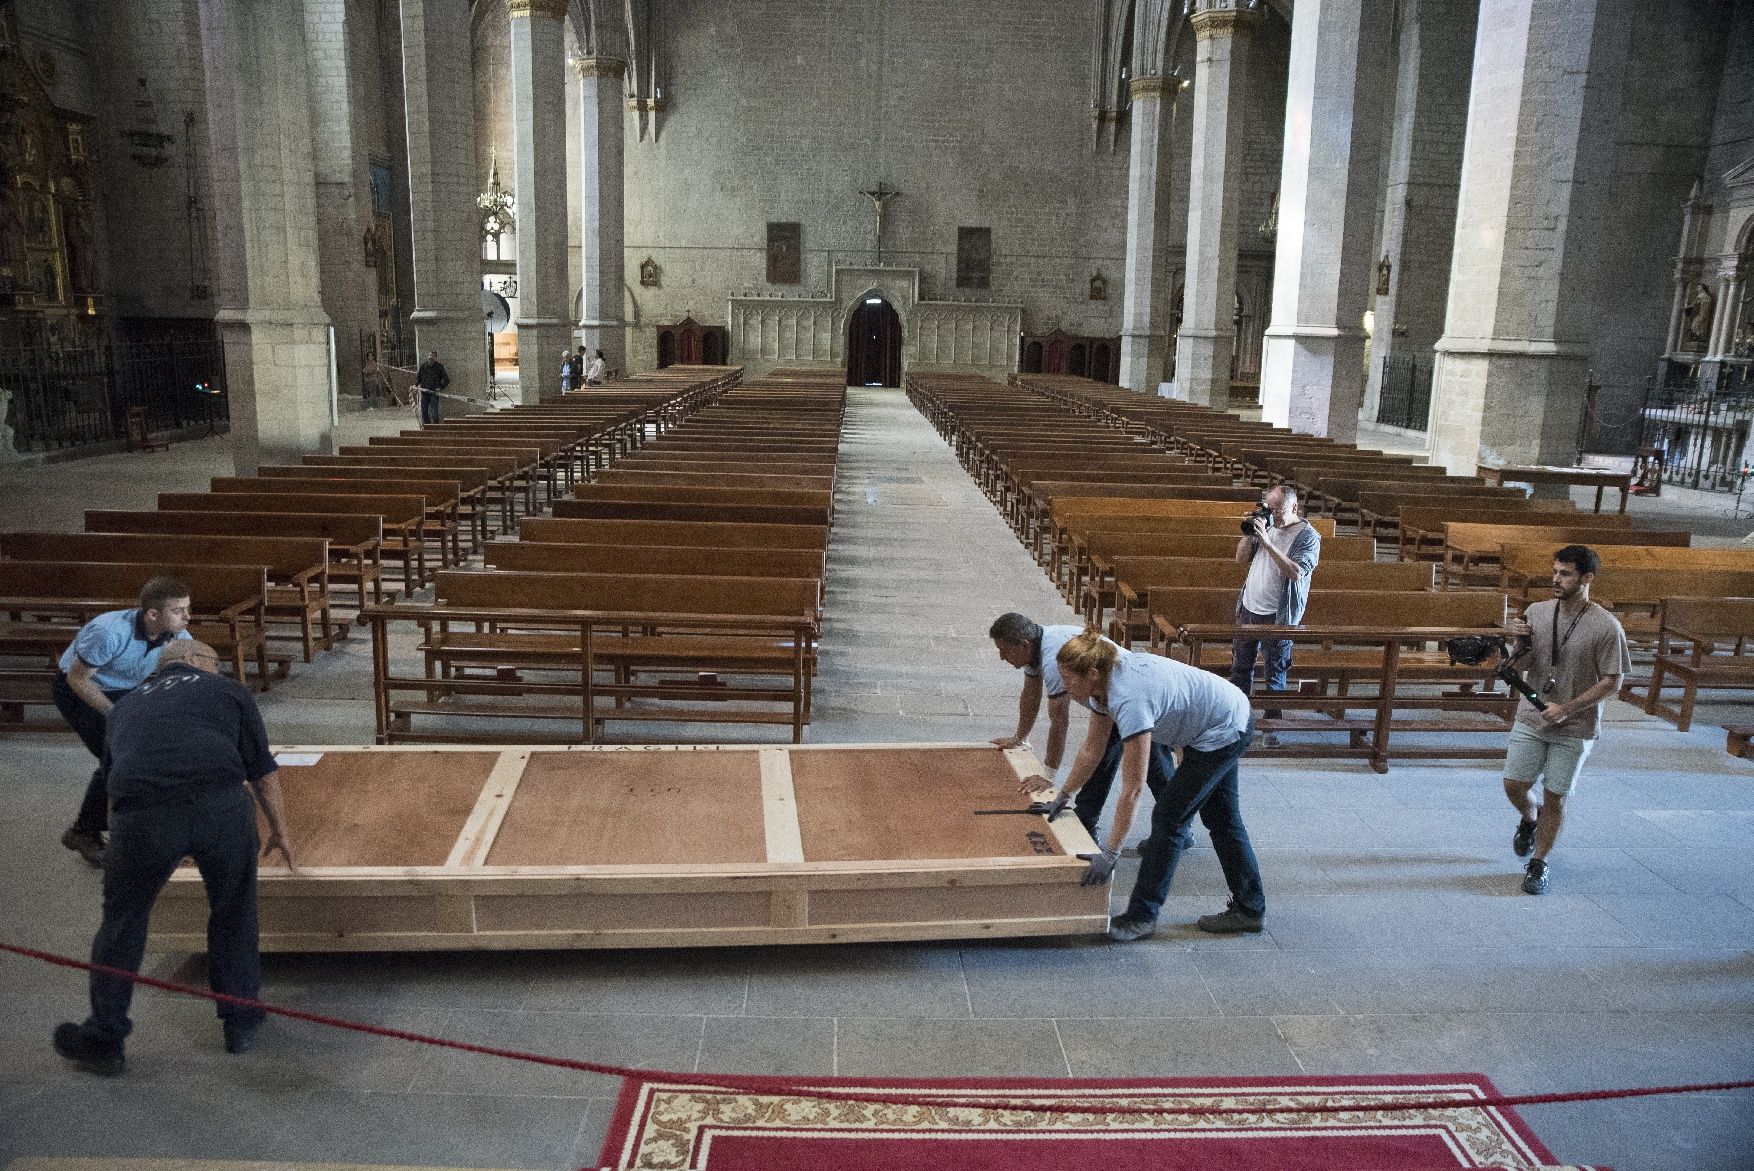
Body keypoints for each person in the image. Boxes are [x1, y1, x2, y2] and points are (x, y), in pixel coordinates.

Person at [51, 639, 295, 1077]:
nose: (219, 670)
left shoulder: (122, 709)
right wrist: (279, 831)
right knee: (234, 908)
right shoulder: (228, 691)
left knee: (122, 919)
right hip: (218, 806)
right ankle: (239, 1020)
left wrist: (134, 846)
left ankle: (105, 1037)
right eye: (217, 663)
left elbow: (111, 788)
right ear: (199, 662)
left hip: (141, 817)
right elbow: (261, 769)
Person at [1030, 630, 1264, 943]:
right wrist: (1062, 796)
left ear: (1093, 673)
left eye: (1069, 678)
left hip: (1223, 729)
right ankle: (1249, 910)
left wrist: (1110, 853)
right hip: (1220, 718)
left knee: (1169, 819)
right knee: (1222, 820)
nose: (1064, 685)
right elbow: (1092, 749)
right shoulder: (1102, 686)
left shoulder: (1129, 699)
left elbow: (1133, 789)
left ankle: (1142, 916)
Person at [1499, 545, 1629, 896]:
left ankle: (1539, 863)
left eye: (1566, 573)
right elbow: (1521, 666)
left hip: (1574, 725)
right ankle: (1529, 818)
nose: (1556, 579)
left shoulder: (1606, 626)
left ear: (1587, 578)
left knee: (1555, 797)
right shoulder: (1536, 612)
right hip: (1532, 714)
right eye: (1555, 571)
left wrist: (1568, 707)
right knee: (1513, 783)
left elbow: (1612, 681)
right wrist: (1519, 645)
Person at [988, 612, 1172, 838]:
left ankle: (1175, 829)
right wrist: (1020, 737)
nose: (1001, 657)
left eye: (1004, 650)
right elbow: (1031, 694)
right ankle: (1090, 822)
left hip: (1133, 702)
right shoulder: (1036, 646)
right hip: (1108, 703)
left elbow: (1059, 722)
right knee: (1108, 764)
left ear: (1024, 645)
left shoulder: (1052, 659)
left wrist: (1048, 775)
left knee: (1149, 770)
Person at [54, 576, 194, 867]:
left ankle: (155, 829)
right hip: (81, 690)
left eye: (187, 609)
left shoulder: (179, 636)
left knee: (152, 753)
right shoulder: (109, 631)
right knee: (119, 757)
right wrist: (114, 714)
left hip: (127, 689)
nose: (187, 617)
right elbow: (77, 679)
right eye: (178, 611)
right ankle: (84, 832)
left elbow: (190, 672)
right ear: (153, 614)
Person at [1230, 483, 1320, 746]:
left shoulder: (1308, 537)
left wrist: (1268, 542)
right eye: (1268, 508)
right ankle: (1237, 722)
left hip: (1278, 616)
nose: (1272, 514)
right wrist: (1250, 533)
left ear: (1294, 507)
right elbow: (1240, 560)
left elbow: (1295, 573)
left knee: (1275, 673)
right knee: (1240, 669)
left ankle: (1271, 727)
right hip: (1249, 607)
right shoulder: (1266, 524)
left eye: (1277, 509)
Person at [415, 349, 449, 425]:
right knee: (424, 412)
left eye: (433, 356)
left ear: (436, 358)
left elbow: (447, 380)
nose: (431, 357)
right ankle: (427, 428)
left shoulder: (439, 367)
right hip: (424, 393)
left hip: (434, 393)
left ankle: (436, 429)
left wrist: (440, 387)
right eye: (430, 355)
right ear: (428, 356)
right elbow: (418, 377)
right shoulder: (423, 366)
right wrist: (416, 385)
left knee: (434, 413)